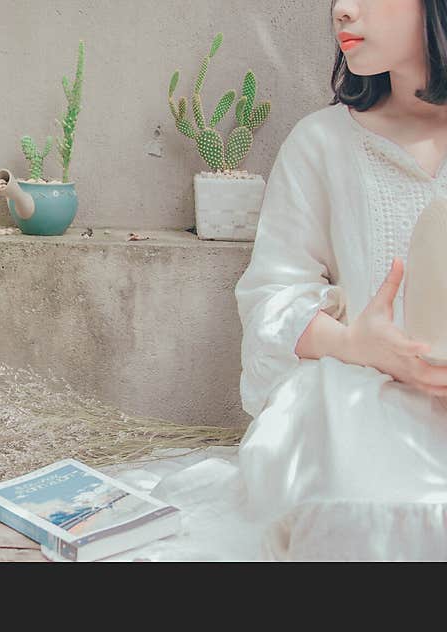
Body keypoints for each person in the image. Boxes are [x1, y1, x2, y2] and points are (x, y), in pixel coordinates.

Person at [117, 0, 447, 561]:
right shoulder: (323, 142)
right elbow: (273, 295)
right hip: (359, 395)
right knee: (368, 510)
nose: (343, 10)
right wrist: (357, 344)